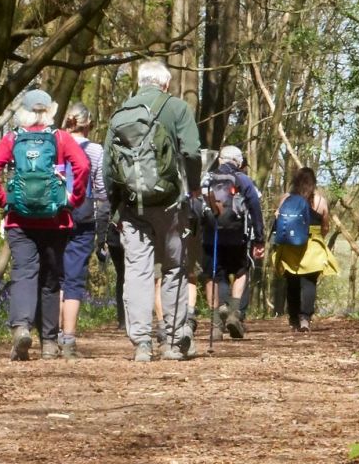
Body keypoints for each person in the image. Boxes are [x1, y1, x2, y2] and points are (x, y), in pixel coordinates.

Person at [0, 89, 91, 361]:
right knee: (51, 280)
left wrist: (4, 200)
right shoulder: (60, 138)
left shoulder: (12, 139)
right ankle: (50, 343)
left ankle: (21, 328)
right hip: (57, 219)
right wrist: (73, 199)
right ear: (50, 111)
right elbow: (84, 166)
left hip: (20, 219)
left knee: (23, 273)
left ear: (24, 112)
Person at [103, 60, 202, 362]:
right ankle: (171, 342)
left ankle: (142, 343)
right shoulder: (177, 108)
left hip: (133, 207)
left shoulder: (120, 114)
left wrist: (115, 207)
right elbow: (192, 152)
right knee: (174, 269)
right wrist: (194, 188)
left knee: (137, 273)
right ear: (166, 84)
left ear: (140, 81)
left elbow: (108, 167)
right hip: (171, 206)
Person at [58, 103, 108, 358]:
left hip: (54, 214)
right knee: (74, 277)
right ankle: (68, 340)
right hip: (84, 215)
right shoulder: (96, 150)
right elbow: (101, 190)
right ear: (89, 123)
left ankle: (50, 338)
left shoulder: (55, 143)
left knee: (55, 276)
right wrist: (103, 226)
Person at [202, 146, 264, 339]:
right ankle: (234, 313)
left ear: (220, 160)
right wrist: (259, 238)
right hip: (237, 235)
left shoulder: (207, 178)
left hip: (210, 235)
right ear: (238, 162)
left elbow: (195, 201)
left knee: (213, 276)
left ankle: (215, 323)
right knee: (240, 271)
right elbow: (255, 206)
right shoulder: (243, 179)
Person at [270, 166, 337, 332]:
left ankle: (293, 318)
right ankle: (305, 318)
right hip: (312, 245)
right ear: (313, 183)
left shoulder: (286, 198)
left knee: (292, 282)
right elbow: (325, 226)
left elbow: (278, 220)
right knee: (309, 283)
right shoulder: (320, 201)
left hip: (290, 246)